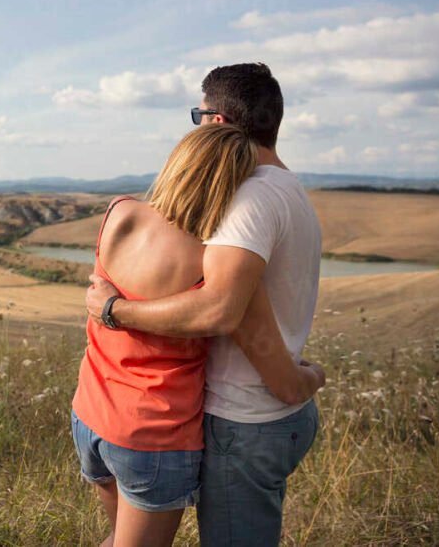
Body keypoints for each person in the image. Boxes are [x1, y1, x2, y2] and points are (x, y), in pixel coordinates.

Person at [85, 63, 323, 546]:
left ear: (215, 124)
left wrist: (114, 310)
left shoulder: (247, 201)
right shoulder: (288, 189)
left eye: (198, 115)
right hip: (254, 416)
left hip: (243, 417)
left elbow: (221, 310)